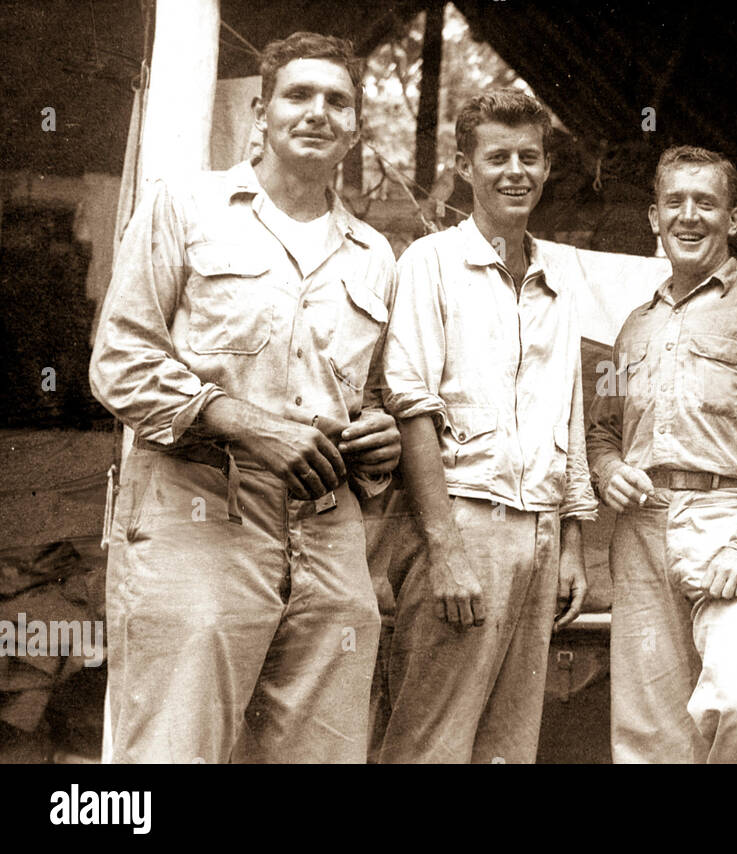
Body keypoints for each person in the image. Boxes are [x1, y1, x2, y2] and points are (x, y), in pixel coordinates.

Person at [89, 31, 400, 763]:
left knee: (320, 755)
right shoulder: (188, 207)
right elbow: (120, 360)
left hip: (327, 533)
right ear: (261, 112)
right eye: (299, 95)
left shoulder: (375, 255)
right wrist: (245, 423)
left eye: (338, 100)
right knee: (175, 751)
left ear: (355, 127)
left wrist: (378, 437)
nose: (318, 112)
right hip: (198, 511)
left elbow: (376, 396)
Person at [379, 90, 597, 764]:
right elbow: (410, 406)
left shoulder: (558, 279)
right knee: (430, 741)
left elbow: (571, 415)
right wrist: (444, 549)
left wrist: (570, 544)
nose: (515, 172)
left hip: (537, 531)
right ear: (464, 167)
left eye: (529, 158)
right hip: (462, 526)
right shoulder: (430, 264)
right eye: (496, 157)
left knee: (507, 747)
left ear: (546, 168)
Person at [587, 145, 737, 763]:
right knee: (649, 740)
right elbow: (602, 431)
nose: (689, 216)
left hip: (731, 523)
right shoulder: (633, 325)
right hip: (640, 534)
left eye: (706, 203)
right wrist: (609, 470)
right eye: (675, 202)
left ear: (734, 220)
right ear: (653, 217)